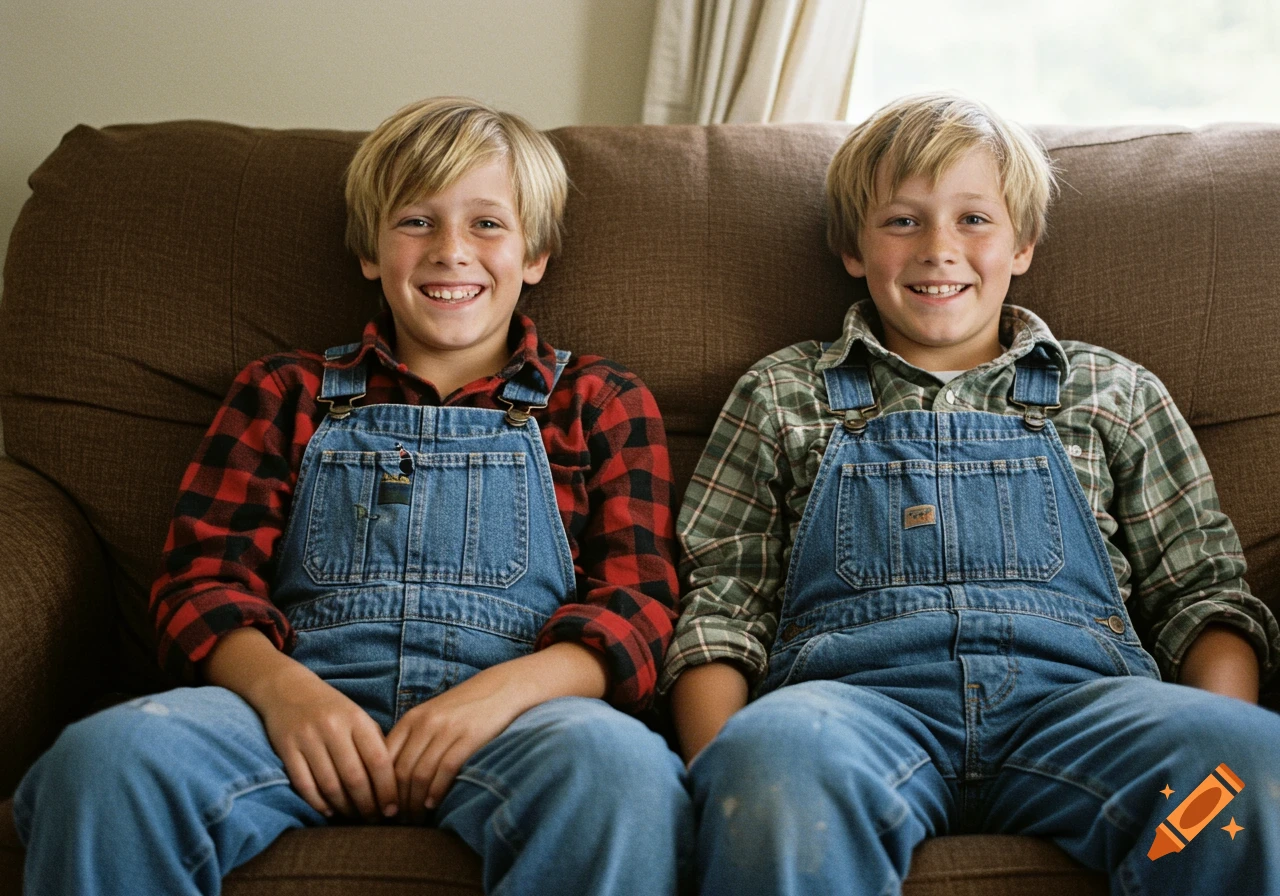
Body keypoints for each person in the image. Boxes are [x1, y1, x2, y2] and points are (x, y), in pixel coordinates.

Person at [14, 97, 691, 895]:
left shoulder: (600, 398)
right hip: (290, 712)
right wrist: (286, 696)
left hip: (519, 718)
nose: (450, 252)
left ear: (535, 254)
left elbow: (642, 603)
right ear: (370, 252)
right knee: (105, 760)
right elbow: (199, 585)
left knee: (622, 771)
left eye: (486, 224)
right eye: (415, 222)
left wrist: (495, 698)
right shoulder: (284, 390)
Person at [663, 93, 1280, 895]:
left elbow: (1202, 595)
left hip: (1081, 711)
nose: (939, 249)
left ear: (1023, 243)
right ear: (853, 249)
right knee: (773, 764)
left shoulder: (1111, 392)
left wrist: (1223, 730)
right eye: (902, 221)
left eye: (974, 220)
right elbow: (723, 607)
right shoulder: (784, 393)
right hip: (852, 712)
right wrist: (727, 774)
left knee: (1246, 770)